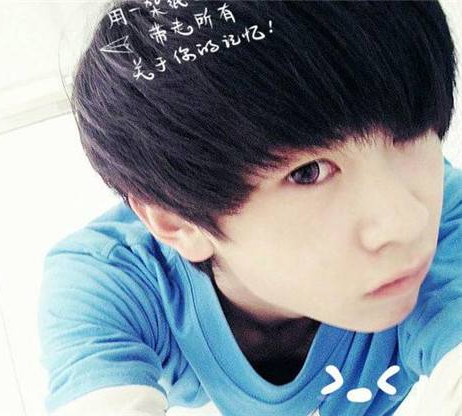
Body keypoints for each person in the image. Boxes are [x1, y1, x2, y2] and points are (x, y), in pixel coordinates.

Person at [38, 1, 462, 415]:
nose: (408, 221)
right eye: (308, 172)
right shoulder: (112, 279)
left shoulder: (448, 216)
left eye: (411, 133)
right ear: (176, 222)